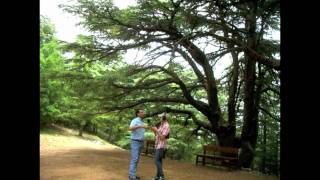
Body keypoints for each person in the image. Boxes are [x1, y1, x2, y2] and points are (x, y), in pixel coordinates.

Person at [128, 109, 148, 180]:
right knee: (135, 159)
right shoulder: (135, 120)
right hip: (135, 141)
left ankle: (133, 174)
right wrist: (140, 126)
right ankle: (132, 176)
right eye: (141, 112)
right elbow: (130, 128)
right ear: (138, 114)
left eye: (143, 112)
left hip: (141, 142)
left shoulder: (142, 121)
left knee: (137, 159)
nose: (143, 113)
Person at [150, 113, 170, 180]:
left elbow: (162, 137)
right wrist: (154, 130)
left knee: (156, 161)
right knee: (159, 161)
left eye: (161, 117)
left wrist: (156, 130)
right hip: (157, 144)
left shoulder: (166, 126)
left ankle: (162, 176)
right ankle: (158, 177)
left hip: (161, 145)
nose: (160, 118)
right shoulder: (161, 125)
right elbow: (157, 135)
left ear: (164, 118)